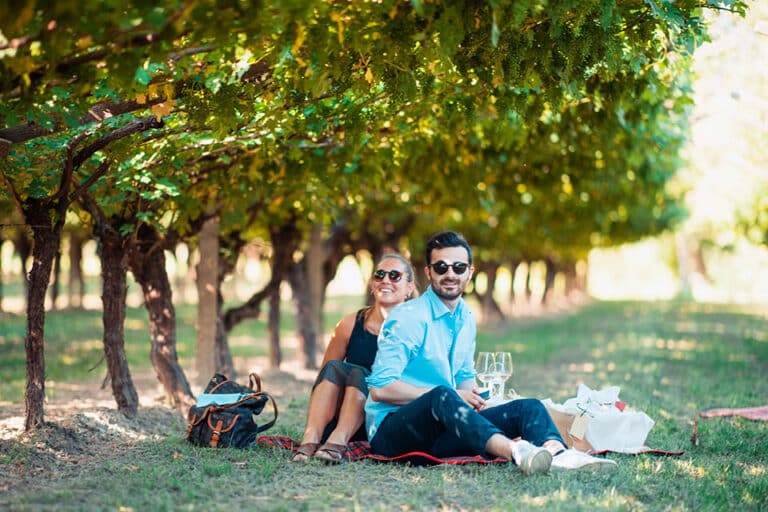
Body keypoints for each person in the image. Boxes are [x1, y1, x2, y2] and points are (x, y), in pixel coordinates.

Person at [365, 231, 616, 474]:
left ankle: (559, 454)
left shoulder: (465, 316)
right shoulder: (407, 317)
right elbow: (381, 389)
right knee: (442, 395)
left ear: (470, 272)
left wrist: (477, 403)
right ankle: (516, 452)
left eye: (459, 267)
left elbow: (464, 376)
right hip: (393, 432)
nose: (450, 274)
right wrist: (453, 396)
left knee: (529, 407)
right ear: (428, 272)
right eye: (441, 267)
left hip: (444, 427)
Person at [291, 253, 416, 463]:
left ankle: (338, 442)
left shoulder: (416, 328)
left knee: (360, 373)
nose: (386, 280)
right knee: (334, 367)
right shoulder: (350, 324)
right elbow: (326, 376)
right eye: (380, 275)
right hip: (340, 415)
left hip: (382, 417)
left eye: (395, 276)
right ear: (372, 283)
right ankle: (311, 439)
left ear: (409, 288)